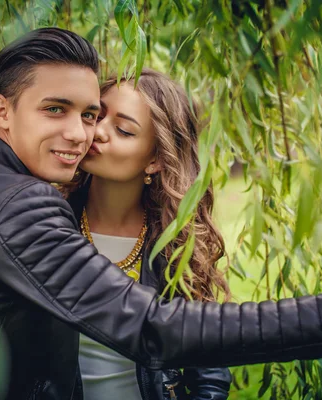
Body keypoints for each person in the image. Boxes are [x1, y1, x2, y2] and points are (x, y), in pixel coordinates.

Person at [0, 27, 322, 400]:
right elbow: (155, 327)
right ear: (2, 111)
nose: (82, 134)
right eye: (53, 110)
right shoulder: (23, 205)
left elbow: (196, 348)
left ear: (155, 159)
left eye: (88, 114)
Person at [66, 69, 232, 399]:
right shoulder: (50, 222)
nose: (97, 132)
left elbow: (209, 369)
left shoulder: (175, 246)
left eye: (124, 130)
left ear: (155, 159)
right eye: (96, 115)